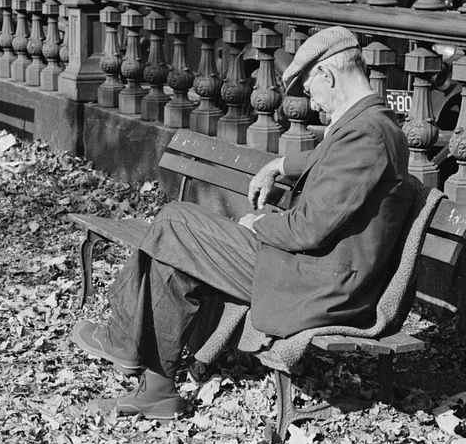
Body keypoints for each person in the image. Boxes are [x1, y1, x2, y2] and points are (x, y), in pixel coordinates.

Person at [71, 27, 415, 419]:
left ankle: (124, 340)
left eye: (308, 87)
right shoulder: (368, 124)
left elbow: (309, 229)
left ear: (328, 75)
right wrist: (280, 164)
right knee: (173, 242)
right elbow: (331, 165)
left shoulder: (365, 134)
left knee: (174, 222)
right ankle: (156, 388)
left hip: (319, 283)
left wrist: (257, 225)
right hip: (312, 268)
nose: (310, 101)